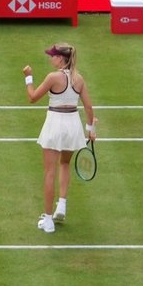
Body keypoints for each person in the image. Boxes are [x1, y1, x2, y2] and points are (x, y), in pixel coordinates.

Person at [23, 43, 97, 234]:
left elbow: (32, 97)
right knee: (64, 164)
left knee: (49, 172)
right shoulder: (78, 79)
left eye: (53, 56)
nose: (50, 58)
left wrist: (28, 77)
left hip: (55, 125)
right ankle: (61, 206)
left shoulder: (52, 77)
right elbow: (88, 107)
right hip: (73, 126)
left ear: (61, 59)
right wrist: (91, 129)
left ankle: (48, 221)